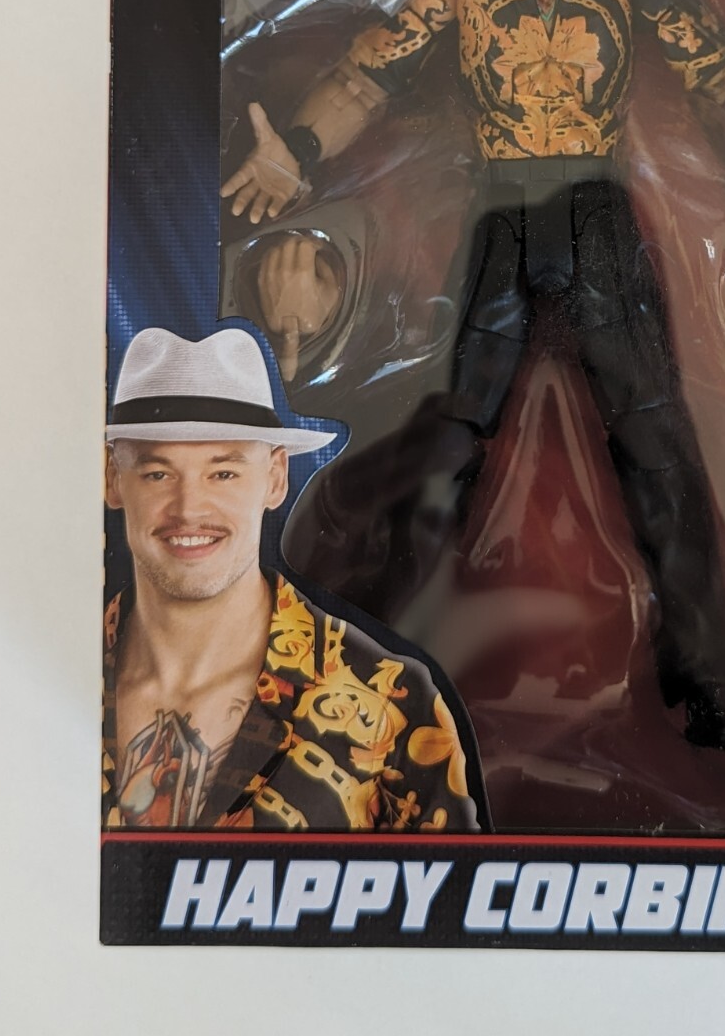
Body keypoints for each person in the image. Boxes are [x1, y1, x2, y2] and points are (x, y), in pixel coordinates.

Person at [220, 0, 725, 753]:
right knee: (448, 437)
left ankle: (711, 680)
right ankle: (366, 659)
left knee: (657, 442)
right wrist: (295, 149)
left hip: (599, 217)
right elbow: (372, 69)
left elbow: (713, 64)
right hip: (500, 215)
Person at [103, 326, 481, 831]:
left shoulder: (391, 702)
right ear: (112, 479)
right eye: (158, 474)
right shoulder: (28, 679)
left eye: (223, 473)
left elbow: (451, 883)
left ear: (276, 477)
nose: (189, 508)